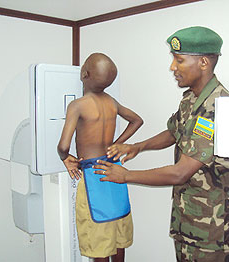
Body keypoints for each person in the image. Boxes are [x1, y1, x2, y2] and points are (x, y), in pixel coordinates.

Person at [93, 26, 229, 262]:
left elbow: (180, 173)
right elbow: (174, 132)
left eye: (179, 60)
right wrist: (137, 146)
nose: (173, 67)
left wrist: (126, 176)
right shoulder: (192, 98)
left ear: (203, 62)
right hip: (189, 222)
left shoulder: (217, 108)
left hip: (213, 234)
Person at [57, 53, 143, 262]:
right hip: (114, 171)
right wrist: (117, 144)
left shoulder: (78, 105)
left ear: (84, 73)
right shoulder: (111, 102)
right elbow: (137, 121)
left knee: (98, 237)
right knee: (117, 230)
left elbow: (63, 145)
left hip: (93, 174)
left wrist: (65, 157)